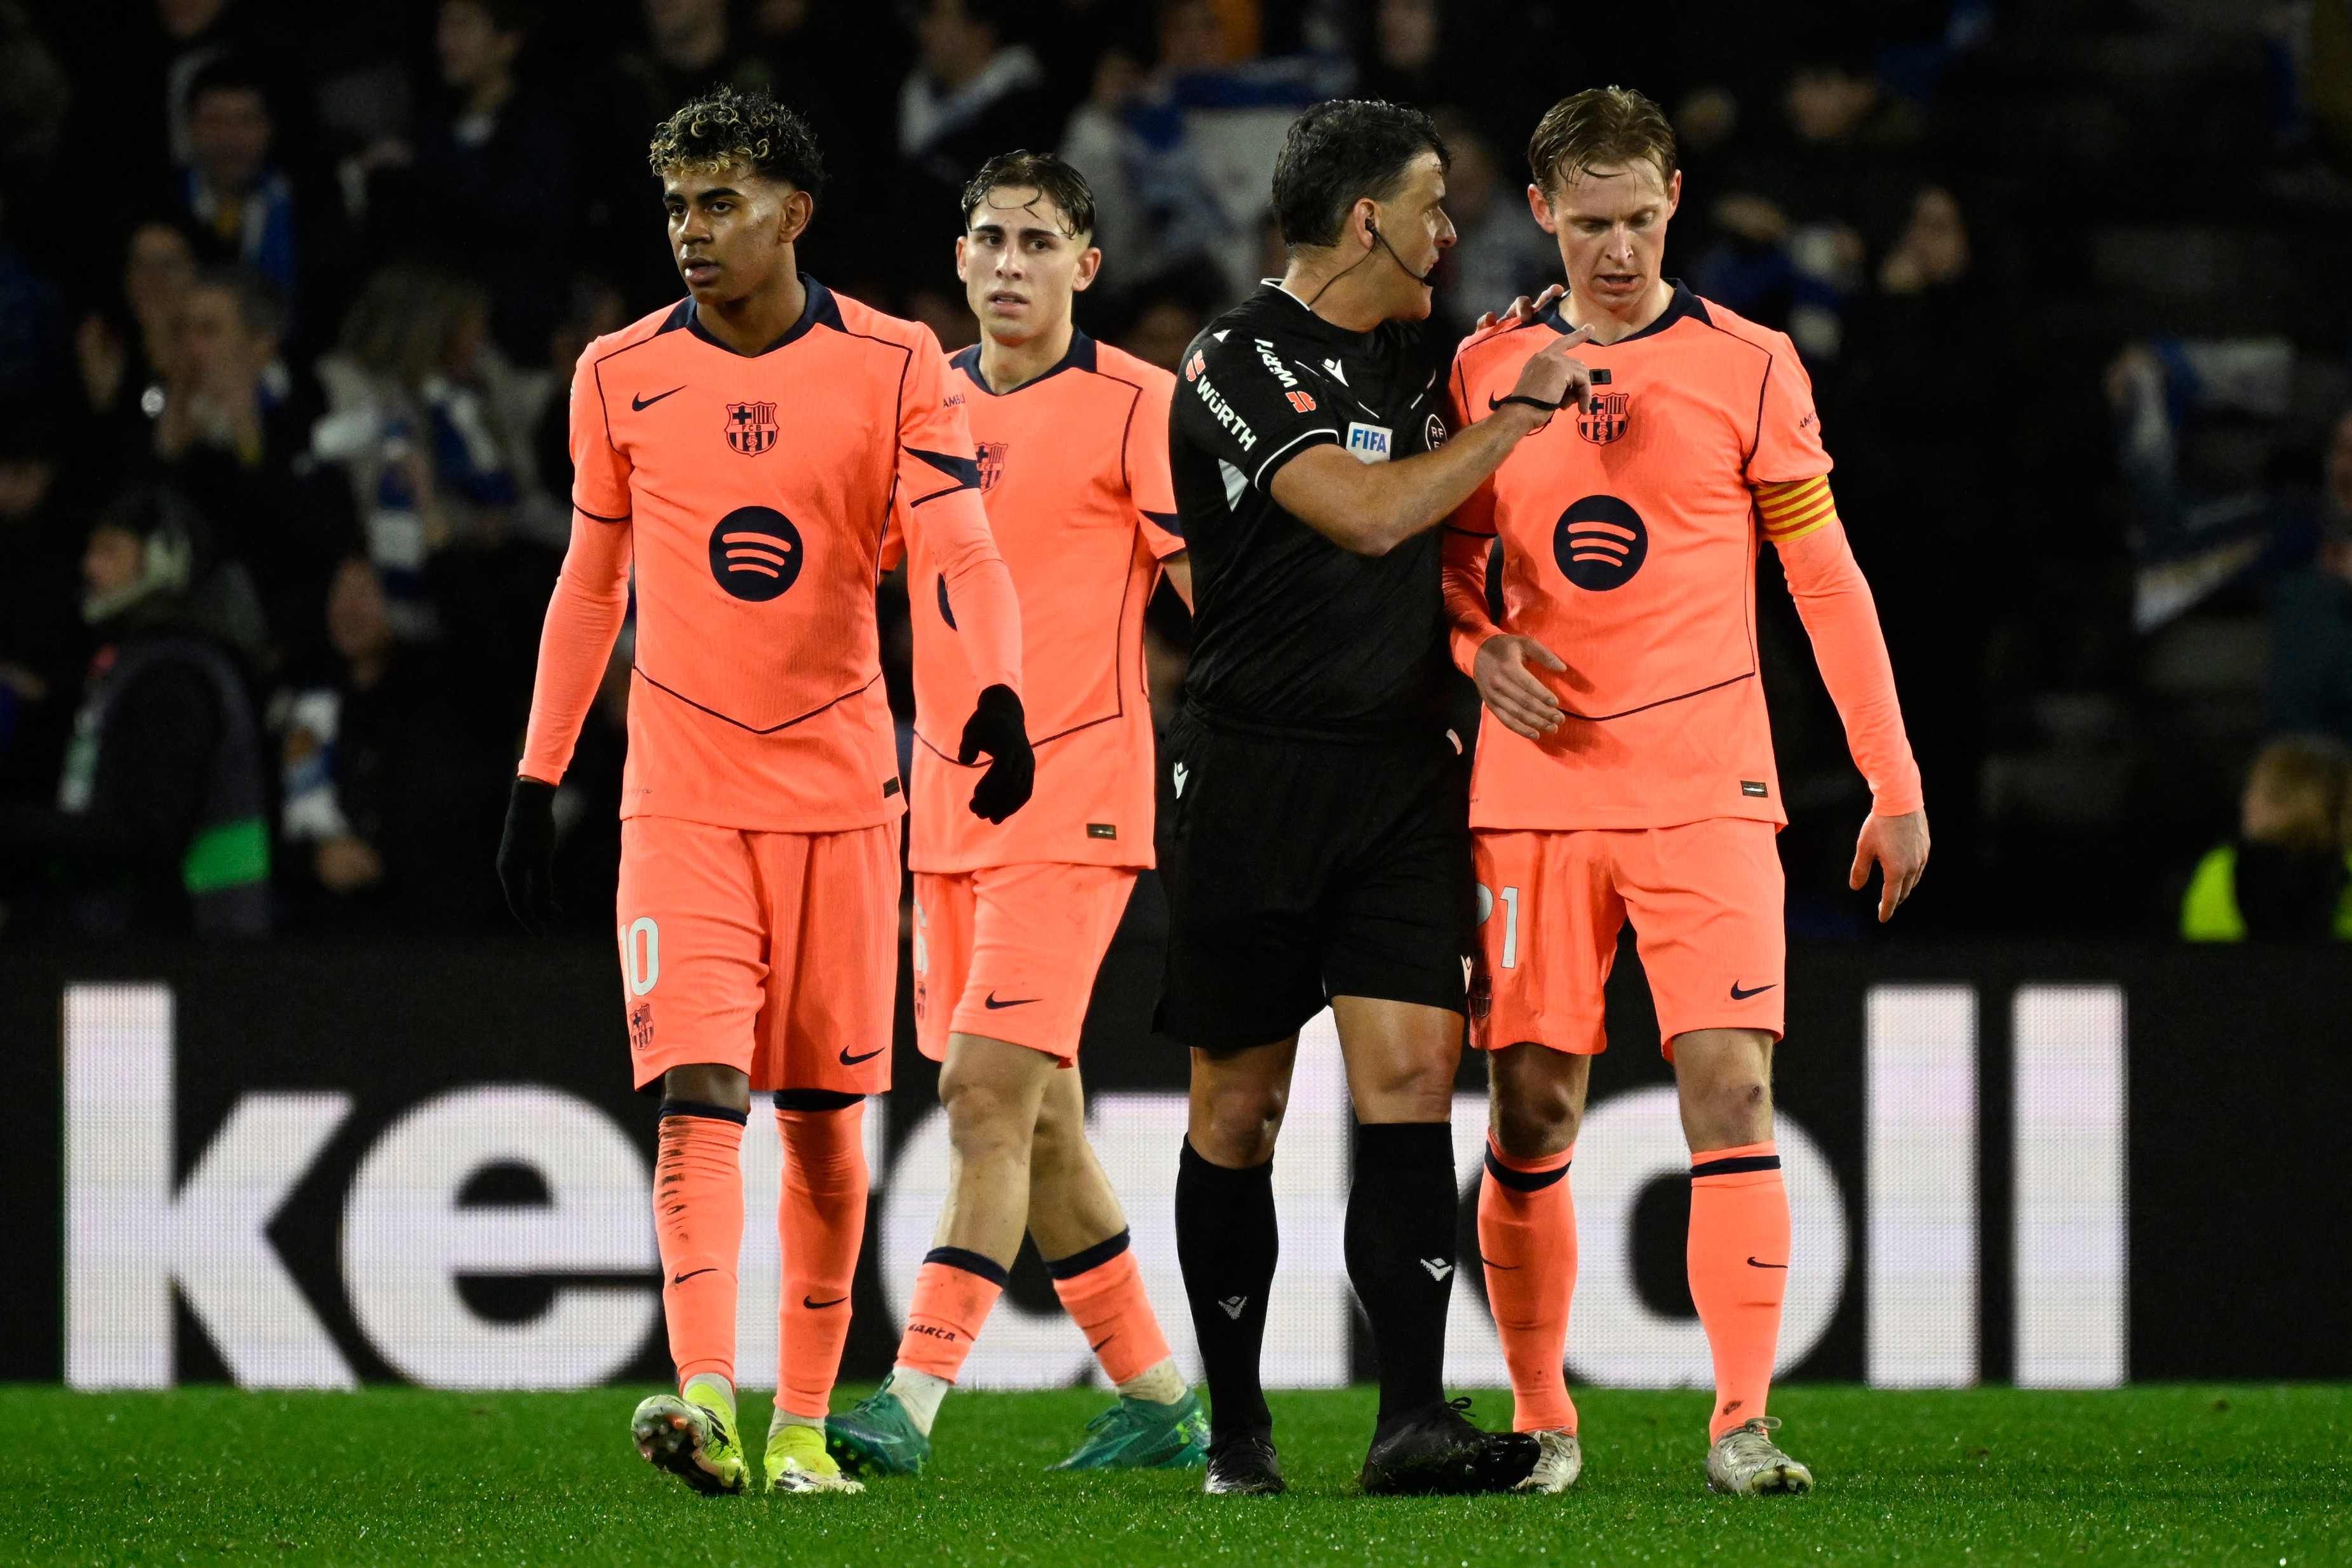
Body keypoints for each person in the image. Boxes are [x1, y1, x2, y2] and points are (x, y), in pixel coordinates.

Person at [496, 86, 1034, 1498]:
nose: (692, 231)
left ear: (794, 214)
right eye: (678, 205)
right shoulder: (618, 371)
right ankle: (703, 1397)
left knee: (822, 1114)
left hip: (847, 791)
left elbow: (963, 551)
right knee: (700, 1089)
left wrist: (993, 691)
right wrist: (541, 770)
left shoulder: (899, 360)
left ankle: (803, 1423)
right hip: (679, 795)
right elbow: (589, 578)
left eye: (720, 203)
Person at [1442, 86, 1928, 1498]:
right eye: (1590, 223)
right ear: (1541, 213)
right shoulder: (1485, 368)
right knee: (1531, 1105)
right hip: (1534, 794)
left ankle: (1740, 1422)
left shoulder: (1755, 366)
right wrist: (1481, 649)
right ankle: (1544, 1421)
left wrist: (1891, 778)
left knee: (1732, 1084)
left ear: (1675, 196)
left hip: (1709, 783)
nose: (1619, 248)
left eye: (1642, 217)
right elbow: (1447, 560)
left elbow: (1824, 581)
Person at [1160, 98, 1584, 1498]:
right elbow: (1369, 512)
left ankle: (1412, 1419)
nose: (1447, 232)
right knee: (1241, 1108)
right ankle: (1238, 1434)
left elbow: (1505, 362)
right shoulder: (1231, 358)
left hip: (1401, 770)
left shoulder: (1421, 352)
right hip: (1249, 774)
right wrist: (1518, 419)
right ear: (1365, 221)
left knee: (1412, 1078)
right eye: (1429, 208)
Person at [823, 152, 1206, 1478]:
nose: (1006, 264)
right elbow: (851, 554)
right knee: (1039, 1121)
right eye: (987, 238)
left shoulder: (1138, 406)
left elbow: (1216, 593)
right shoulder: (919, 397)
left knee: (979, 1094)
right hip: (943, 807)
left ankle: (907, 1401)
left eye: (1038, 241)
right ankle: (1160, 1398)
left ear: (1084, 267)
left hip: (1077, 800)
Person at [0, 485, 271, 937]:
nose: (90, 567)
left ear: (167, 557)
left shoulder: (177, 678)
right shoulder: (133, 665)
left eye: (109, 551)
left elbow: (143, 834)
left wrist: (13, 827)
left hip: (183, 944)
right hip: (144, 939)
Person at [2179, 735, 2352, 942]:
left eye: (2254, 789)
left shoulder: (2222, 870)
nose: (2245, 802)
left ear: (2281, 800)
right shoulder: (2345, 869)